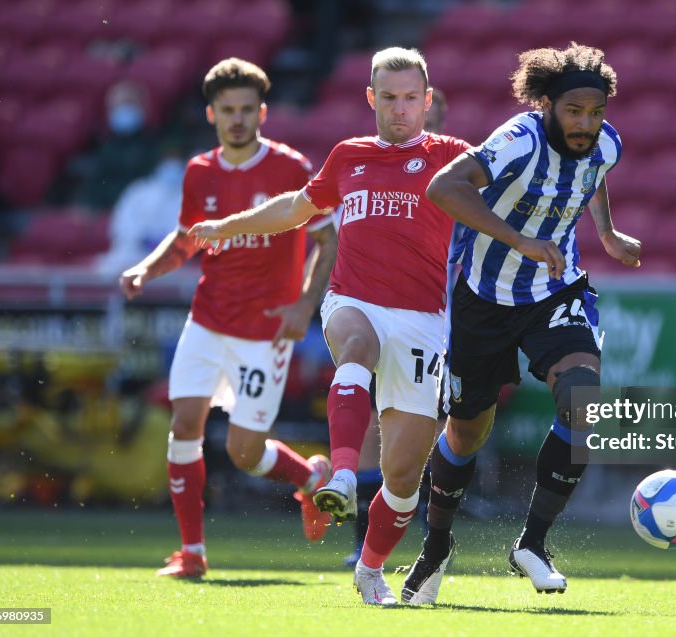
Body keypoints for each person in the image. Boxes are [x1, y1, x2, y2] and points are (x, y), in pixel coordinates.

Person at [187, 48, 470, 605]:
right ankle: (340, 475)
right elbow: (296, 207)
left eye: (411, 98)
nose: (400, 109)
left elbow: (514, 191)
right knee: (355, 346)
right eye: (388, 98)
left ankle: (369, 569)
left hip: (423, 320)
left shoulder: (455, 158)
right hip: (353, 298)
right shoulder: (348, 157)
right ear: (371, 99)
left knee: (404, 474)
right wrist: (226, 224)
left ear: (427, 101)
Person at [401, 43, 641, 603]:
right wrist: (519, 240)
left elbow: (594, 174)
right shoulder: (519, 139)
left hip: (555, 289)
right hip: (483, 298)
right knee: (466, 432)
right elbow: (443, 188)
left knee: (583, 400)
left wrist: (605, 232)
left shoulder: (606, 143)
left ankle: (531, 543)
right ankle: (435, 548)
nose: (585, 124)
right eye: (573, 111)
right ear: (547, 104)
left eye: (596, 112)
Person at [118, 58, 338, 578]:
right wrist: (145, 271)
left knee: (244, 453)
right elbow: (186, 240)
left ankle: (310, 478)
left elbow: (325, 240)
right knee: (184, 426)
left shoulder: (291, 168)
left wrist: (305, 305)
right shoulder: (200, 172)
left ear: (261, 112)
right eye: (227, 110)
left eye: (246, 109)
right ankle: (192, 553)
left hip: (264, 333)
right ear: (211, 114)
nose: (237, 119)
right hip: (207, 320)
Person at [338, 87, 450, 569]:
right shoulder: (360, 165)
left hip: (439, 317)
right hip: (372, 307)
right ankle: (361, 540)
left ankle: (431, 536)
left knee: (431, 434)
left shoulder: (457, 173)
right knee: (368, 429)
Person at [95, 145, 186, 277]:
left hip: (170, 258)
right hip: (131, 253)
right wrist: (142, 239)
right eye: (168, 162)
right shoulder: (138, 191)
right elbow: (121, 225)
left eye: (176, 163)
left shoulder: (186, 196)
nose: (172, 168)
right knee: (107, 273)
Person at [76, 81, 161, 210]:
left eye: (128, 103)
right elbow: (92, 187)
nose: (123, 109)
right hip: (101, 211)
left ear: (143, 107)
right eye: (118, 105)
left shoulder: (156, 145)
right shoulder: (101, 145)